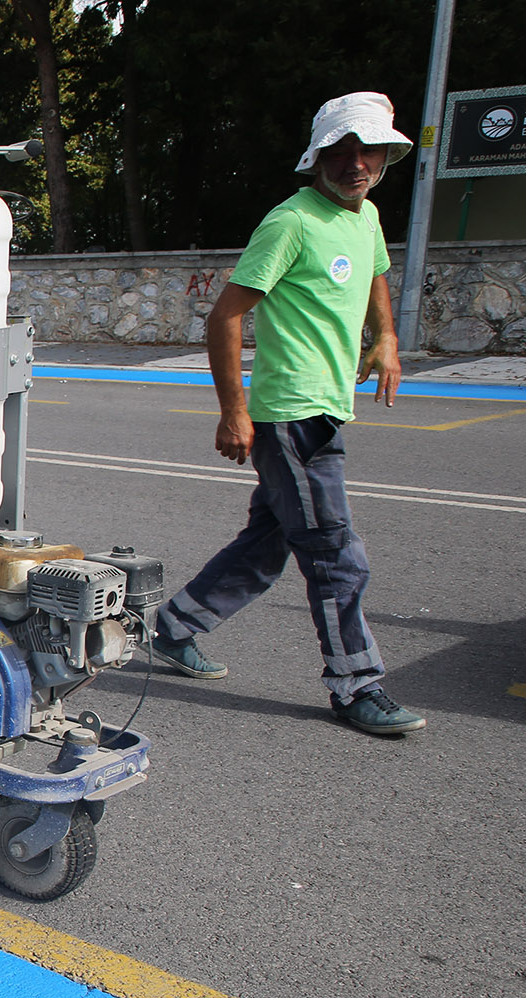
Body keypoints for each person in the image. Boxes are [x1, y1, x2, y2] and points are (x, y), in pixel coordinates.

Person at [151, 92, 425, 737]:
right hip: (290, 416)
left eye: (369, 151)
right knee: (335, 554)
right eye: (342, 151)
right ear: (319, 157)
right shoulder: (291, 222)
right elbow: (227, 314)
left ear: (385, 156)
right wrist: (234, 412)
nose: (356, 163)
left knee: (266, 546)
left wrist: (384, 338)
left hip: (328, 408)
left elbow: (378, 274)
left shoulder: (365, 217)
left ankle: (174, 627)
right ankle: (356, 684)